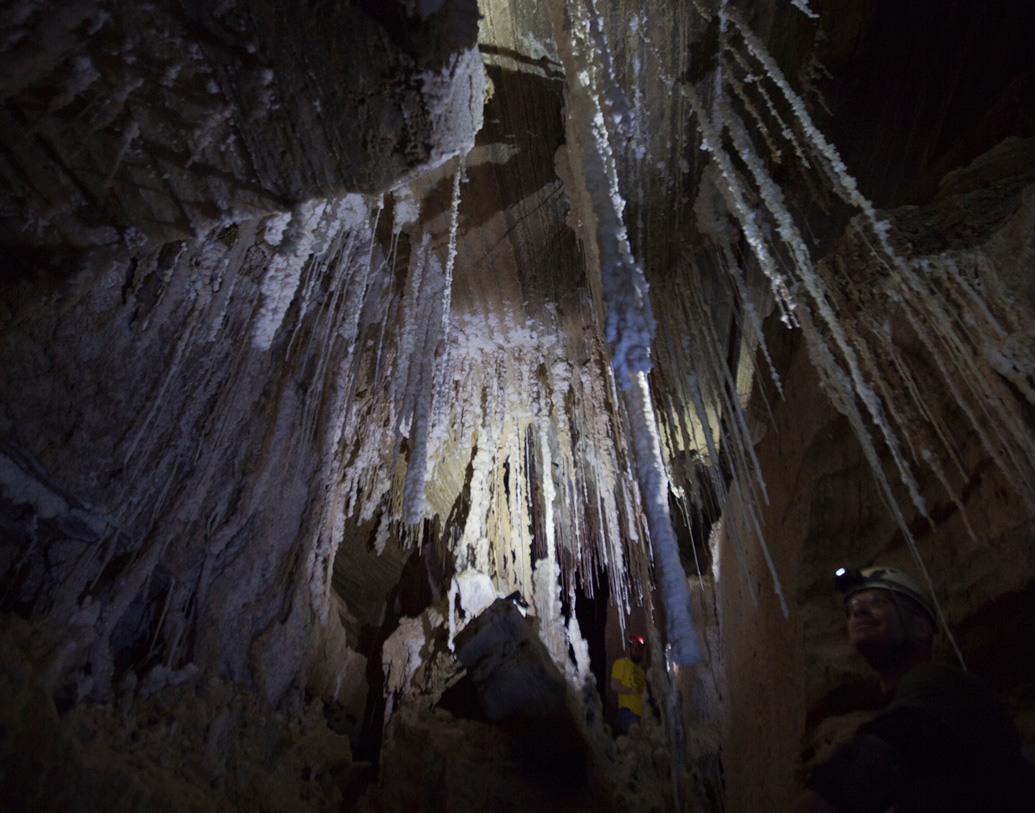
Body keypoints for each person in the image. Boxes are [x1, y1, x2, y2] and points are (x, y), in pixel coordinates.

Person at [793, 566, 1035, 813]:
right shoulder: (918, 699)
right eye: (852, 605)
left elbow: (870, 764)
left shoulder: (938, 682)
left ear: (921, 626)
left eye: (878, 601)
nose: (858, 610)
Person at [611, 634, 647, 735]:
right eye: (637, 650)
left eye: (641, 650)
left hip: (642, 714)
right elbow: (614, 685)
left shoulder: (641, 672)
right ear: (631, 648)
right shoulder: (622, 663)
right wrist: (631, 690)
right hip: (627, 711)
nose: (640, 653)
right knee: (635, 735)